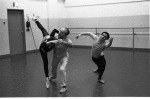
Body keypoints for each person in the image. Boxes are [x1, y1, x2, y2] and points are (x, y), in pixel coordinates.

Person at [32, 15, 59, 88]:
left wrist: (59, 33)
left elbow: (54, 30)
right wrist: (47, 41)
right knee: (45, 63)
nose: (51, 46)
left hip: (48, 37)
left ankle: (36, 20)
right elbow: (47, 43)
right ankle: (47, 78)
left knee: (43, 29)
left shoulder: (53, 40)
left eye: (52, 45)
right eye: (50, 45)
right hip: (43, 50)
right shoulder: (44, 44)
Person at [47, 27, 73, 93]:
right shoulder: (56, 36)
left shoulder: (67, 39)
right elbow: (49, 43)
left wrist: (63, 42)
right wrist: (49, 43)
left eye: (61, 32)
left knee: (62, 69)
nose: (59, 32)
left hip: (64, 56)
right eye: (60, 31)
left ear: (65, 35)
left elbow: (71, 45)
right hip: (55, 56)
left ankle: (64, 86)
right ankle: (53, 76)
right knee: (53, 68)